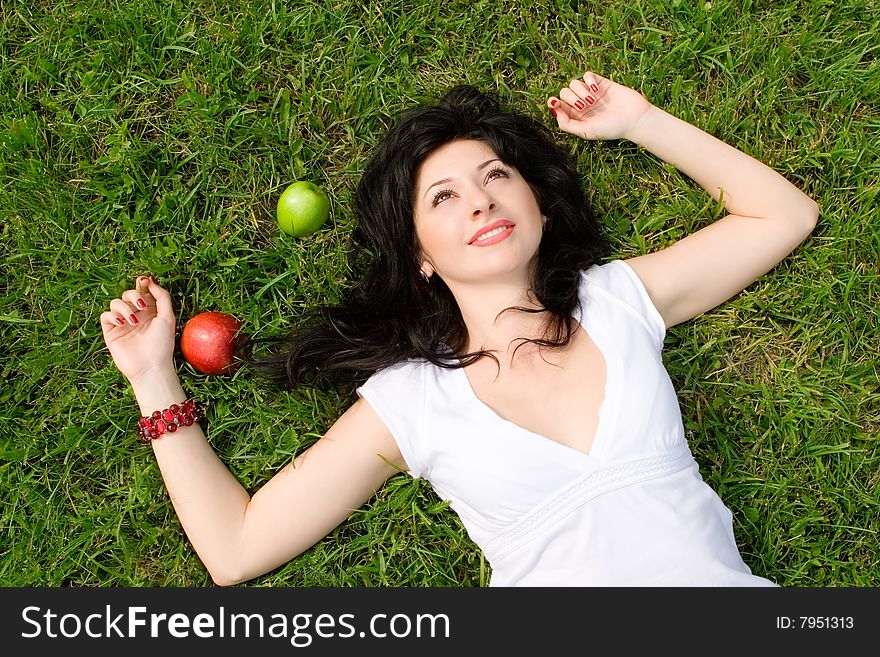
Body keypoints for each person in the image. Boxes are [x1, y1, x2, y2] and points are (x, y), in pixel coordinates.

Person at [100, 71, 819, 586]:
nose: (481, 200)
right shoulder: (411, 400)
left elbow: (784, 216)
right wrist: (151, 376)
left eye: (497, 175)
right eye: (444, 196)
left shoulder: (618, 300)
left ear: (537, 205)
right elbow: (235, 547)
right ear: (419, 256)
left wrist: (639, 122)